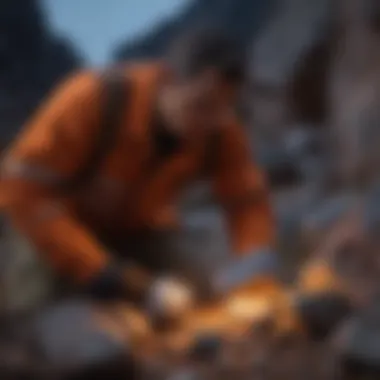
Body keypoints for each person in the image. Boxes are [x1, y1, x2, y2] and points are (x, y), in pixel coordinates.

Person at [0, 29, 277, 318]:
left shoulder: (219, 126)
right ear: (168, 79)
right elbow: (20, 190)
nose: (210, 121)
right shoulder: (92, 98)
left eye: (224, 108)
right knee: (42, 321)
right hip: (54, 228)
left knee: (201, 298)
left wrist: (253, 263)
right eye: (200, 105)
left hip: (138, 229)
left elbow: (247, 200)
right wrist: (109, 276)